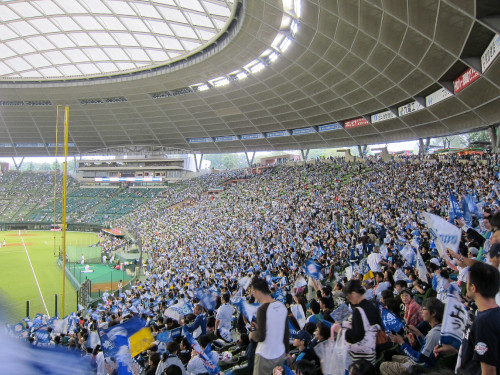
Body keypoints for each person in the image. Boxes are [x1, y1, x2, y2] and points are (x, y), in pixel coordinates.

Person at [435, 261, 500, 374]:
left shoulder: (484, 322)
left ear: (473, 288)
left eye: (468, 282)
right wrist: (456, 349)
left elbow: (489, 371)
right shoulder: (490, 314)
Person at [380, 298, 444, 375]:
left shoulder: (433, 334)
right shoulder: (439, 328)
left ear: (433, 313)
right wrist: (418, 333)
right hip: (424, 361)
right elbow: (427, 347)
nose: (421, 311)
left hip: (421, 368)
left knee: (383, 366)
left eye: (424, 309)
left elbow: (419, 359)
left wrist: (401, 343)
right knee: (393, 357)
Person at [333, 280, 382, 365]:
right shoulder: (373, 305)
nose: (349, 299)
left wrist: (340, 330)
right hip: (372, 353)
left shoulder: (358, 311)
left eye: (348, 296)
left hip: (361, 359)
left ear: (354, 294)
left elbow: (355, 336)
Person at [249, 277, 289, 375]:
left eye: (253, 292)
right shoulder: (281, 306)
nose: (253, 295)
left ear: (257, 291)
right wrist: (287, 350)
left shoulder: (262, 309)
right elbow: (285, 332)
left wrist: (252, 334)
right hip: (280, 353)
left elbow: (261, 337)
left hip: (265, 356)